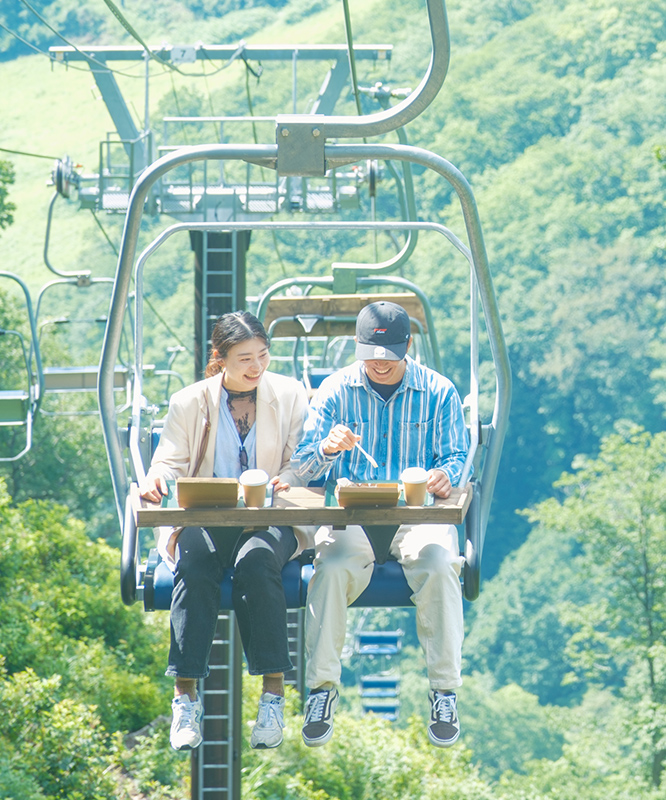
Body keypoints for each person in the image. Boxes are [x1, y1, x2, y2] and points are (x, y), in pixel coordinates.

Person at [291, 300, 470, 749]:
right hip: (353, 513)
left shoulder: (439, 391)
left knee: (441, 562)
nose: (379, 366)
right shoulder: (335, 391)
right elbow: (303, 468)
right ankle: (322, 690)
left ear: (407, 349)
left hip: (415, 513)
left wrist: (445, 475)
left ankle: (444, 691)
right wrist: (329, 450)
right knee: (330, 569)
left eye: (388, 358)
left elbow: (456, 456)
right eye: (370, 356)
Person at [139, 311, 311, 752]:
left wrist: (285, 479)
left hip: (269, 514)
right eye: (245, 359)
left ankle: (272, 696)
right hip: (209, 514)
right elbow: (169, 461)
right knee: (194, 565)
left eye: (263, 356)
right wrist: (157, 480)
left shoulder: (290, 395)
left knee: (256, 564)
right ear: (220, 359)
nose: (256, 367)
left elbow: (300, 459)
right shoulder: (190, 402)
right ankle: (185, 698)